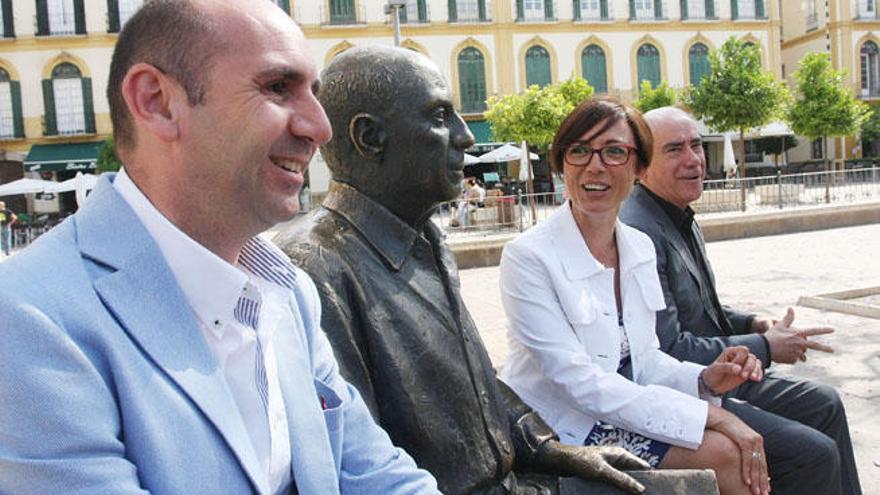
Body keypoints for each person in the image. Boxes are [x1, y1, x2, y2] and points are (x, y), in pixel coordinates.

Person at [0, 2, 439, 494]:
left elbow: (375, 474)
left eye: (313, 94)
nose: (320, 127)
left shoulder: (289, 291)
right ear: (157, 102)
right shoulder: (27, 319)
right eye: (278, 87)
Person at [276, 46, 655, 495]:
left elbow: (474, 383)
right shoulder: (313, 269)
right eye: (440, 117)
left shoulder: (427, 240)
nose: (465, 136)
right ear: (370, 138)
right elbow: (356, 461)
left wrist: (554, 449)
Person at [499, 97, 773, 495]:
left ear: (639, 168)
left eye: (614, 152)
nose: (595, 166)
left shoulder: (639, 247)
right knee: (725, 451)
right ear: (561, 164)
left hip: (623, 407)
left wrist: (703, 378)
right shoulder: (528, 256)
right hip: (562, 425)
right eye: (579, 151)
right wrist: (709, 417)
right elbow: (581, 383)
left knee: (742, 447)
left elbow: (643, 359)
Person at [619, 106, 858, 495]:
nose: (694, 159)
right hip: (694, 382)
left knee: (826, 402)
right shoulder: (639, 231)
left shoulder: (677, 214)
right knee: (813, 453)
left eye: (696, 145)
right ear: (642, 167)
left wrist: (752, 324)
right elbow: (670, 346)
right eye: (675, 149)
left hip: (726, 369)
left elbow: (702, 309)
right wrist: (766, 347)